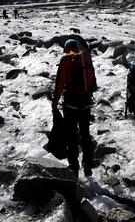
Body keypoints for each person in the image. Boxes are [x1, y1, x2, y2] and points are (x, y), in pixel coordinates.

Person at [52, 38, 98, 176]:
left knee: (71, 135)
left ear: (67, 49)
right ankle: (88, 164)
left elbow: (60, 83)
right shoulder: (86, 57)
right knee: (85, 134)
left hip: (70, 104)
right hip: (85, 103)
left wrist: (55, 102)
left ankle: (74, 166)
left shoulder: (66, 60)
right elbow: (93, 80)